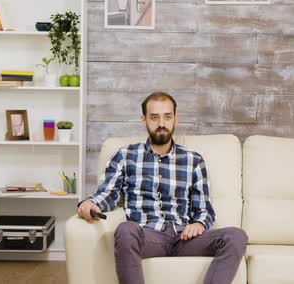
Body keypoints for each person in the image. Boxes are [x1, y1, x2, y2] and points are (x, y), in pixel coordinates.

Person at [77, 91, 248, 284]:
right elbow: (108, 193)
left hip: (184, 238)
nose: (161, 123)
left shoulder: (193, 160)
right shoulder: (125, 155)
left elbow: (204, 209)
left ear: (175, 118)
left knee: (236, 236)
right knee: (125, 230)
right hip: (147, 236)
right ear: (144, 120)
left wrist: (199, 224)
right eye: (154, 117)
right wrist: (91, 202)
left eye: (167, 117)